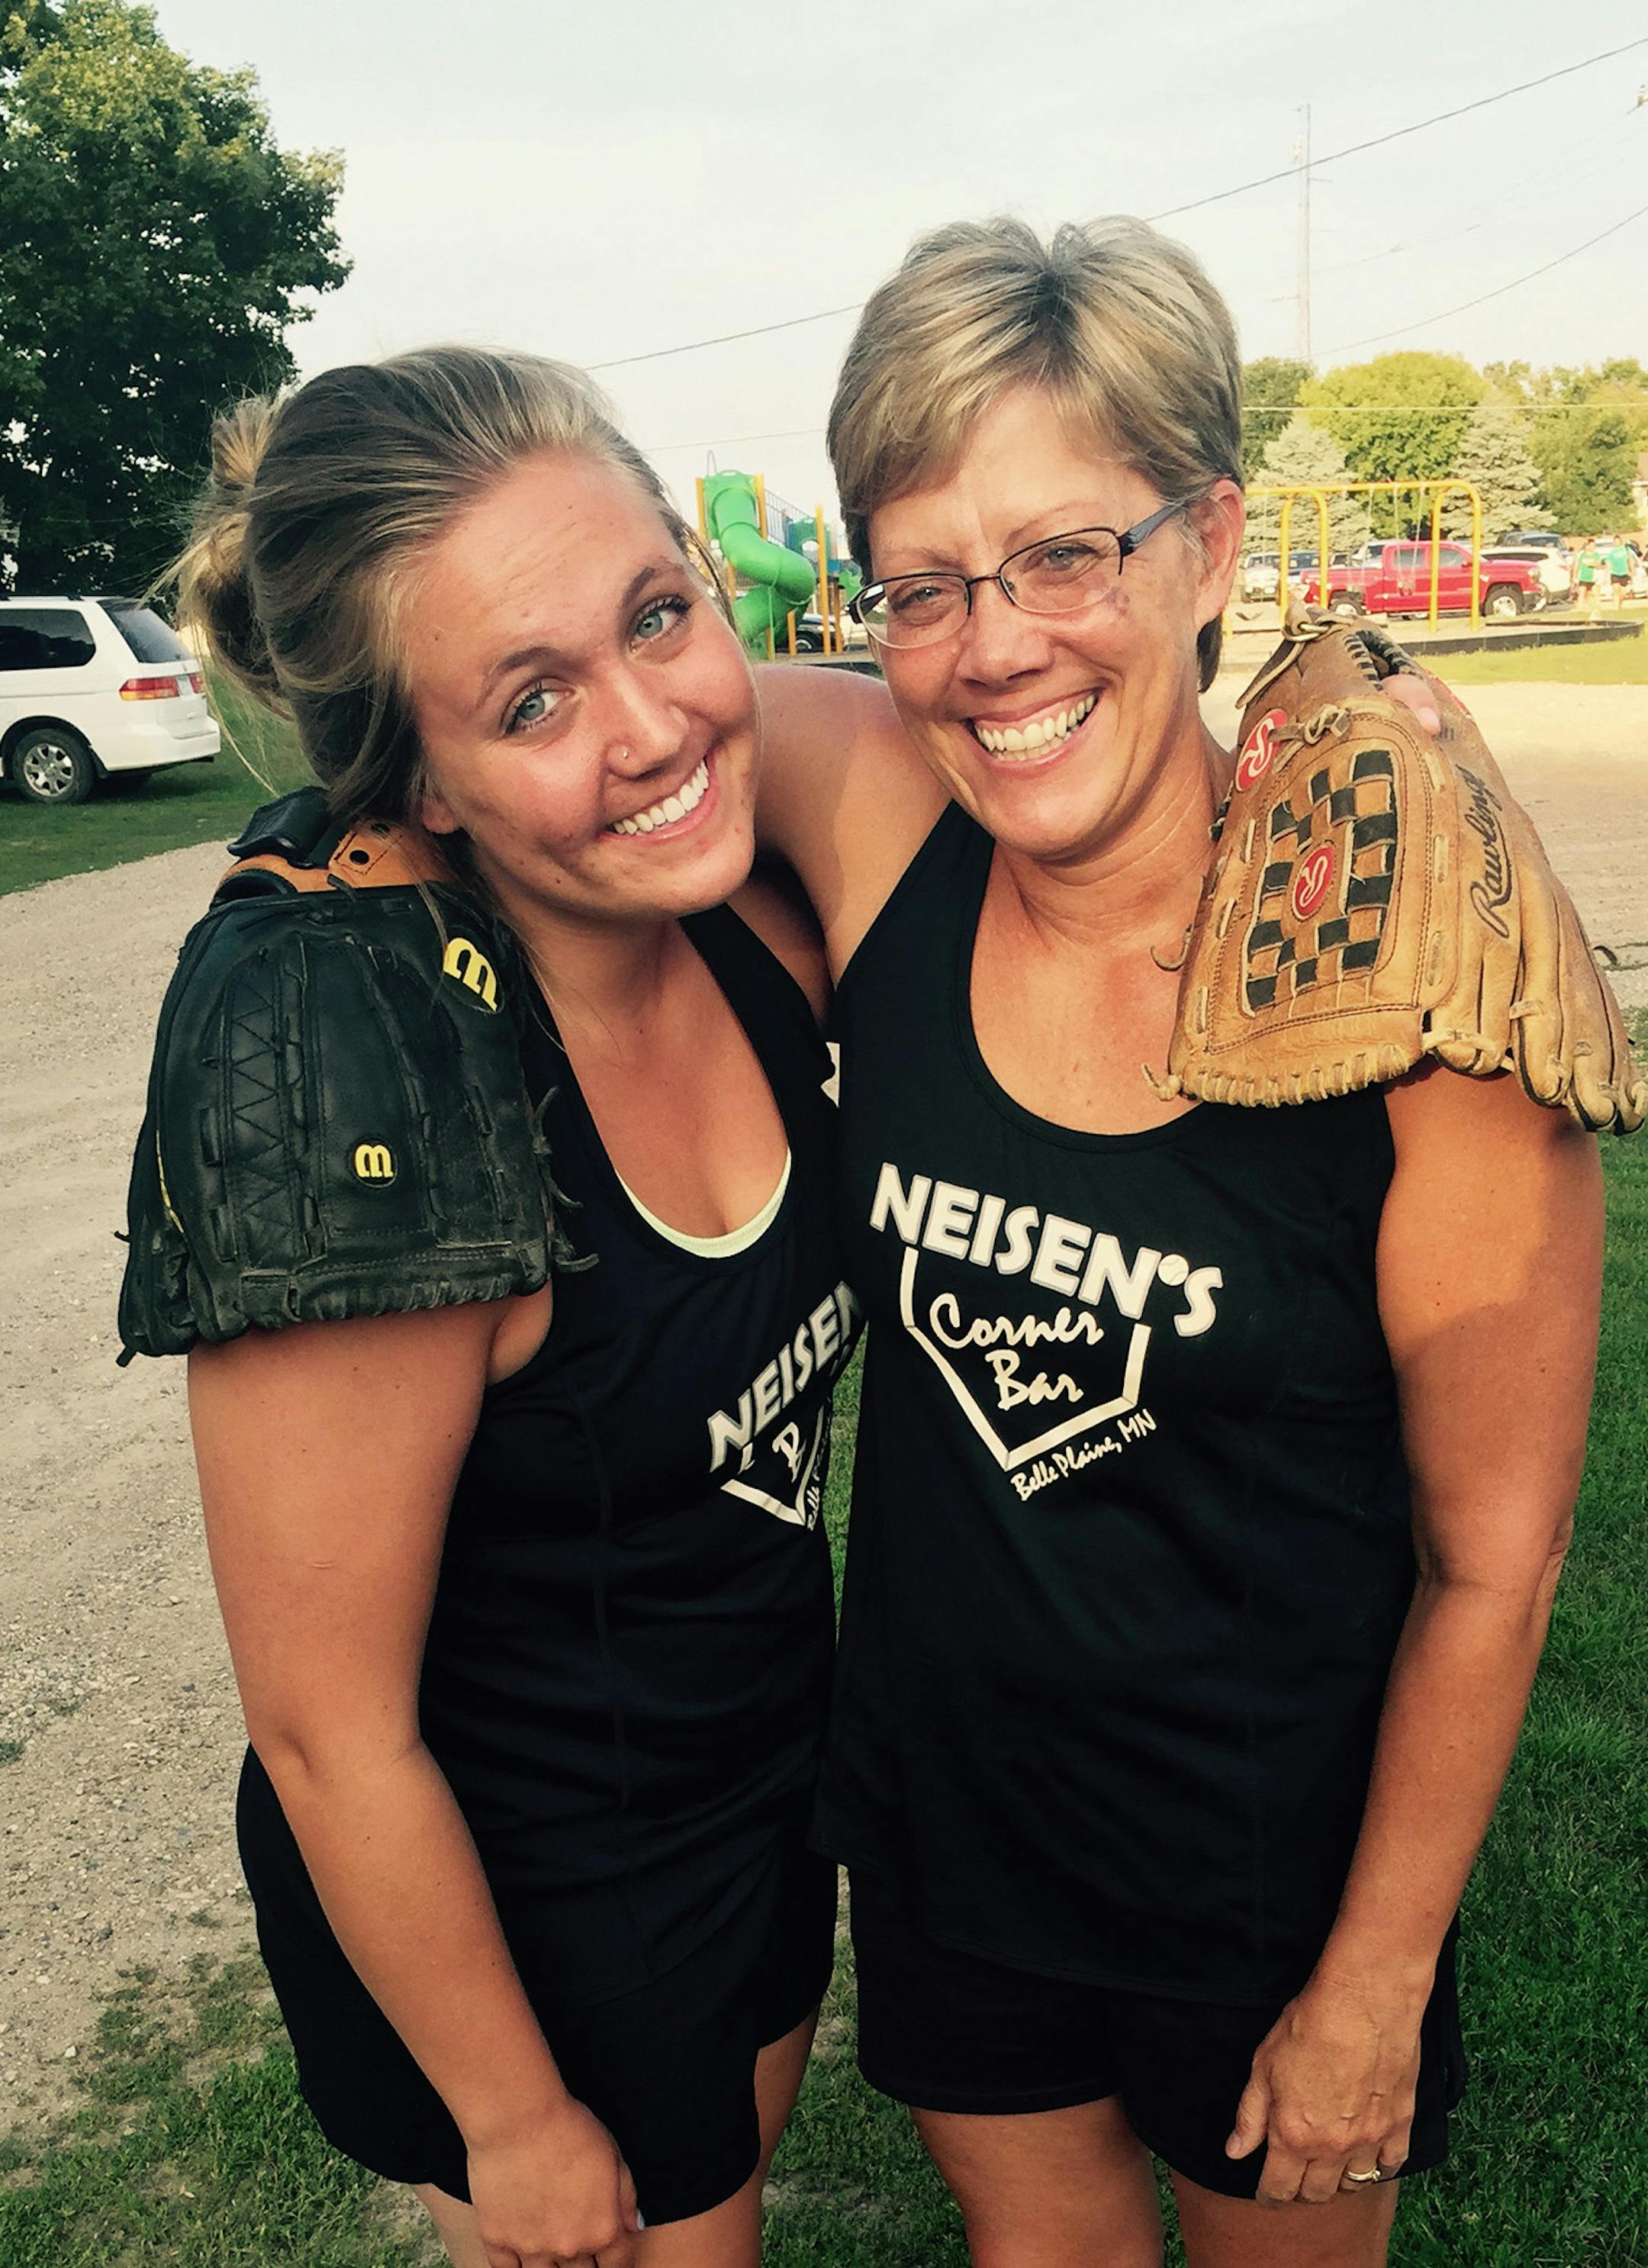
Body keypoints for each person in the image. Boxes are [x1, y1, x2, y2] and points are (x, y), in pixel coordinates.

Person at [743, 217, 1608, 2268]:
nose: (994, 645)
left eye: (1069, 553)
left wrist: (1376, 1978)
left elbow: (1499, 1558)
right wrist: (332, 859)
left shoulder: (1416, 1009)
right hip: (954, 1833)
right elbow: (601, 727)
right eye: (928, 581)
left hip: (1270, 1869)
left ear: (1211, 547)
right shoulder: (883, 833)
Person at [121, 348, 857, 2268]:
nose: (651, 725)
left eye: (658, 617)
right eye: (532, 698)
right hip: (528, 1900)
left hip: (753, 1789)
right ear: (419, 783)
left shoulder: (753, 918)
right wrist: (512, 2118)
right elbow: (327, 1729)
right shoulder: (376, 1088)